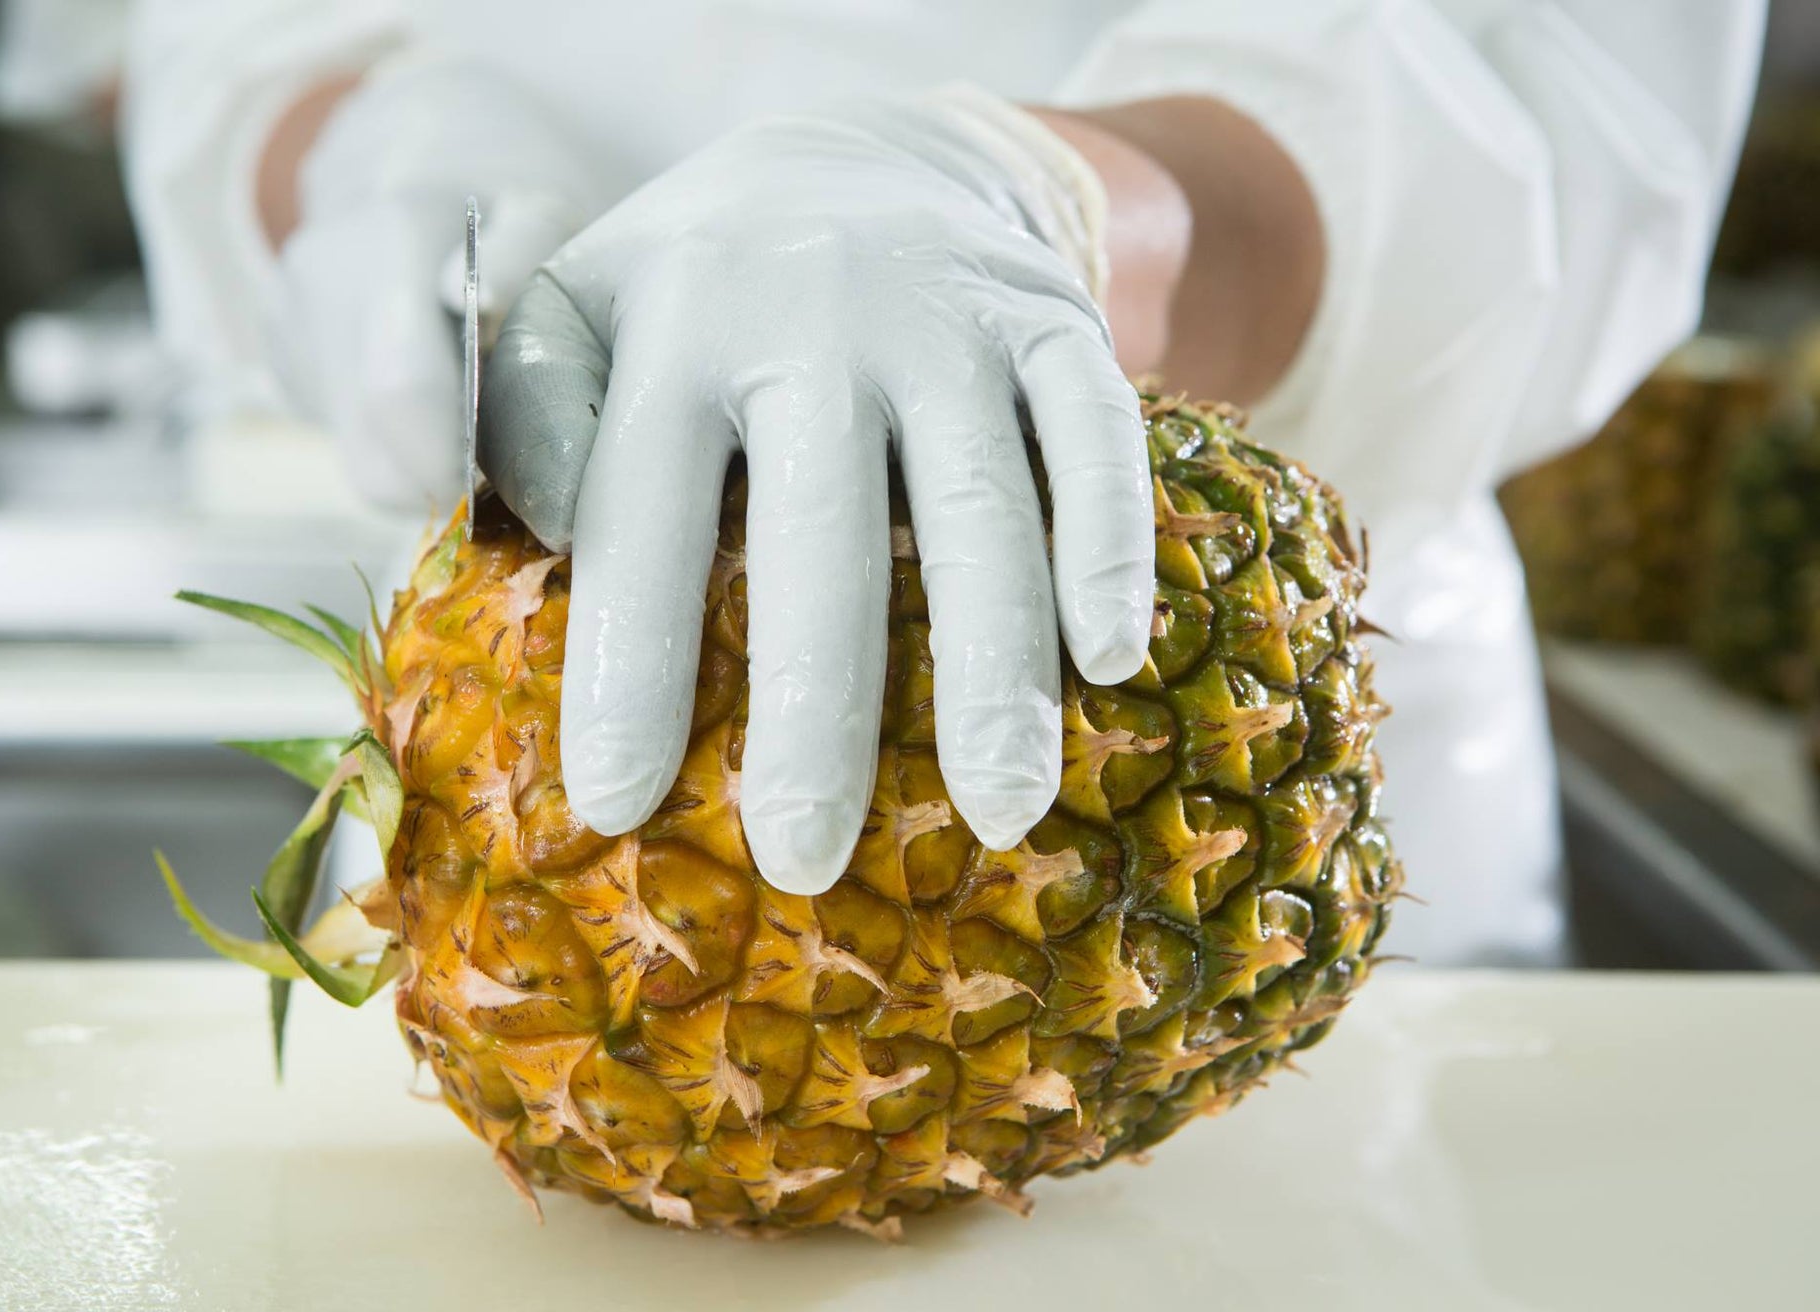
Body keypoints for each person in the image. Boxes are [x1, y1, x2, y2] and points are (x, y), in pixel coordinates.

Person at [123, 0, 1767, 965]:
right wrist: (372, 153)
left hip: (1189, 835)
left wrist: (1055, 200)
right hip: (532, 832)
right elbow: (226, 54)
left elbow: (1570, 97)